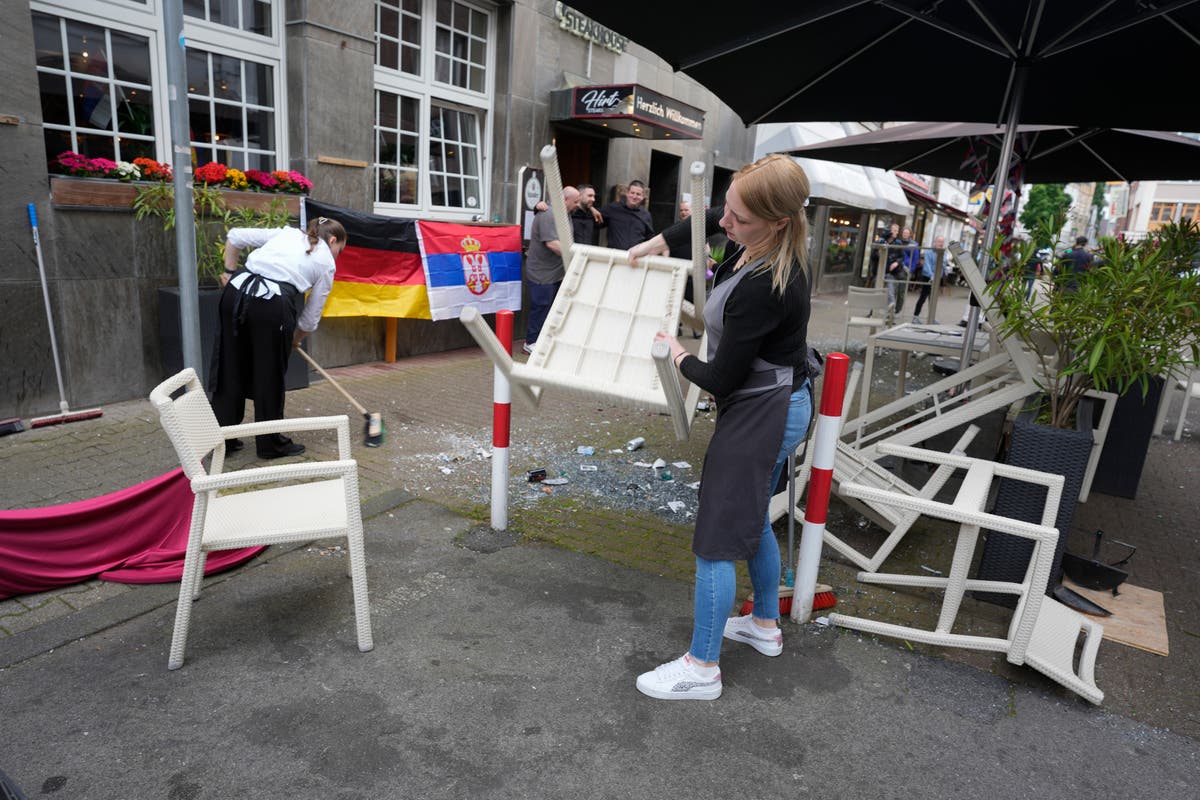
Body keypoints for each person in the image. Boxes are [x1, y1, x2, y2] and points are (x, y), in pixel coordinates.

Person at [626, 153, 813, 701]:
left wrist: (677, 354)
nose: (723, 224)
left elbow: (722, 380)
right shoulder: (761, 236)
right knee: (752, 516)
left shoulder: (765, 285)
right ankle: (762, 625)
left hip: (763, 408)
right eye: (726, 210)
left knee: (717, 537)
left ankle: (702, 668)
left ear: (776, 222)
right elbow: (704, 219)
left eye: (737, 219)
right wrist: (652, 244)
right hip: (781, 398)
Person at [210, 216, 346, 459]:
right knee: (268, 374)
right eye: (340, 249)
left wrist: (229, 272)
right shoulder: (326, 261)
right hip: (271, 306)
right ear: (333, 239)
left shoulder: (287, 233)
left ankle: (222, 440)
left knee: (230, 364)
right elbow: (310, 318)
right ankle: (270, 444)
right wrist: (296, 338)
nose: (338, 255)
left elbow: (235, 236)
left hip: (235, 293)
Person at [523, 186, 581, 354]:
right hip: (542, 272)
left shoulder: (565, 214)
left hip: (555, 272)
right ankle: (531, 341)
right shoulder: (549, 214)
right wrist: (577, 254)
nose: (577, 205)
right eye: (575, 201)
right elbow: (552, 244)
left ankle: (542, 340)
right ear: (565, 200)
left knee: (549, 308)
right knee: (540, 306)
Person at [597, 179, 655, 250]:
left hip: (635, 257)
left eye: (638, 194)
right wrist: (591, 209)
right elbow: (595, 218)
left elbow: (649, 238)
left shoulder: (646, 215)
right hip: (614, 255)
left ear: (642, 197)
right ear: (627, 193)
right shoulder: (613, 208)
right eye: (632, 193)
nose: (634, 196)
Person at [912, 234, 945, 322]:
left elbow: (943, 265)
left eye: (942, 242)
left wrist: (939, 276)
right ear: (935, 242)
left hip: (937, 278)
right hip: (928, 277)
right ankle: (915, 316)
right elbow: (927, 265)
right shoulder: (929, 252)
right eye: (939, 241)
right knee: (923, 297)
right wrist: (932, 275)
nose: (941, 243)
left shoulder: (943, 252)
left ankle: (931, 317)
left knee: (933, 299)